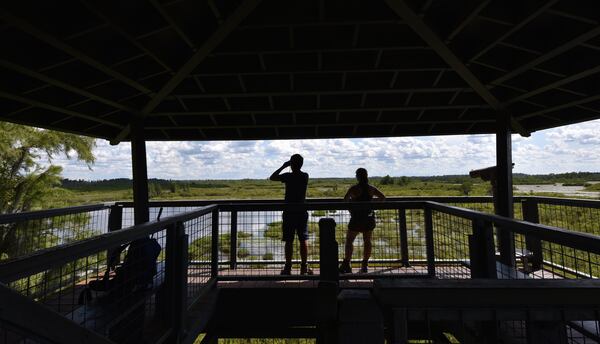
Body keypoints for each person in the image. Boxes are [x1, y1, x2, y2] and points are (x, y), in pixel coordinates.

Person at [269, 154, 312, 275]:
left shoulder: (288, 176)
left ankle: (288, 267)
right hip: (302, 211)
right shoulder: (305, 176)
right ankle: (304, 267)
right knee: (303, 239)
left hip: (289, 212)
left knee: (289, 240)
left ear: (291, 164)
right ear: (301, 164)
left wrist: (283, 166)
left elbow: (272, 177)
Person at [339, 168, 385, 274]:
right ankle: (365, 264)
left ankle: (347, 263)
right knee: (367, 241)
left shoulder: (354, 189)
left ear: (358, 176)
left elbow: (345, 200)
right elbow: (383, 197)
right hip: (368, 218)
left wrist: (351, 206)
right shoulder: (371, 188)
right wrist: (371, 203)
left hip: (356, 218)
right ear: (367, 176)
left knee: (349, 241)